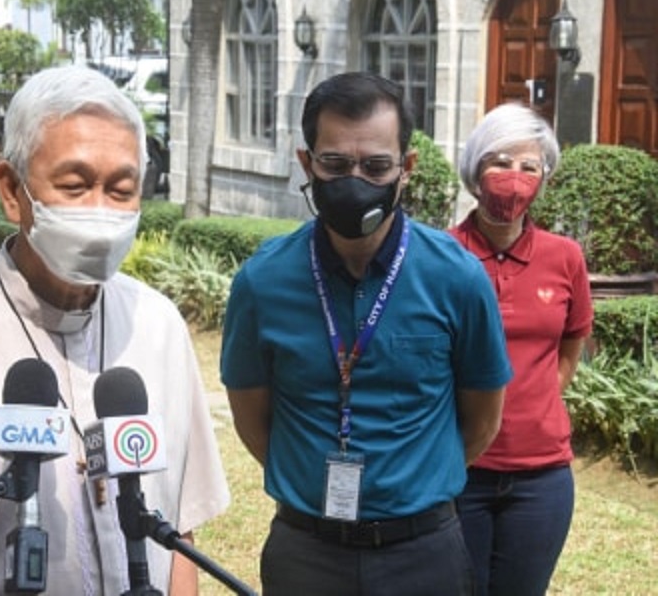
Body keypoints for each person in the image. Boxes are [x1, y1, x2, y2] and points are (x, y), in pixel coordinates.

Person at [0, 66, 229, 595]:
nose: (100, 212)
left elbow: (180, 532)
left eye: (121, 190)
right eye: (75, 186)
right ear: (12, 191)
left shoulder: (160, 327)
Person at [220, 71, 513, 595]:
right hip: (306, 551)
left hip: (423, 552)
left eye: (376, 166)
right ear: (306, 164)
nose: (355, 180)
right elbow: (253, 421)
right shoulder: (262, 283)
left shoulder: (458, 279)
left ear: (407, 169)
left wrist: (408, 485)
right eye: (335, 164)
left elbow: (482, 423)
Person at [448, 102, 593, 595]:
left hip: (541, 478)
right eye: (501, 162)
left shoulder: (564, 257)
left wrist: (537, 400)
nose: (515, 177)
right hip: (459, 470)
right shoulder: (443, 255)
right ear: (475, 171)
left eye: (529, 166)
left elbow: (572, 340)